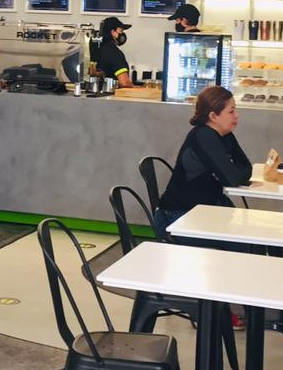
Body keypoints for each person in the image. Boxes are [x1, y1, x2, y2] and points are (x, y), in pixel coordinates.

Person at [155, 85, 252, 234]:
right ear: (213, 116)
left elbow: (246, 167)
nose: (237, 115)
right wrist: (234, 173)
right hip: (176, 215)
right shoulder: (204, 136)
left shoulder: (226, 135)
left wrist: (233, 174)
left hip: (203, 210)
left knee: (246, 235)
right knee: (242, 240)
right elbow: (232, 179)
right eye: (231, 111)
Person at [96, 17, 133, 87]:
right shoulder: (114, 53)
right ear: (113, 32)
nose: (123, 34)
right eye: (121, 31)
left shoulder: (98, 49)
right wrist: (139, 88)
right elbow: (124, 83)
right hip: (112, 92)